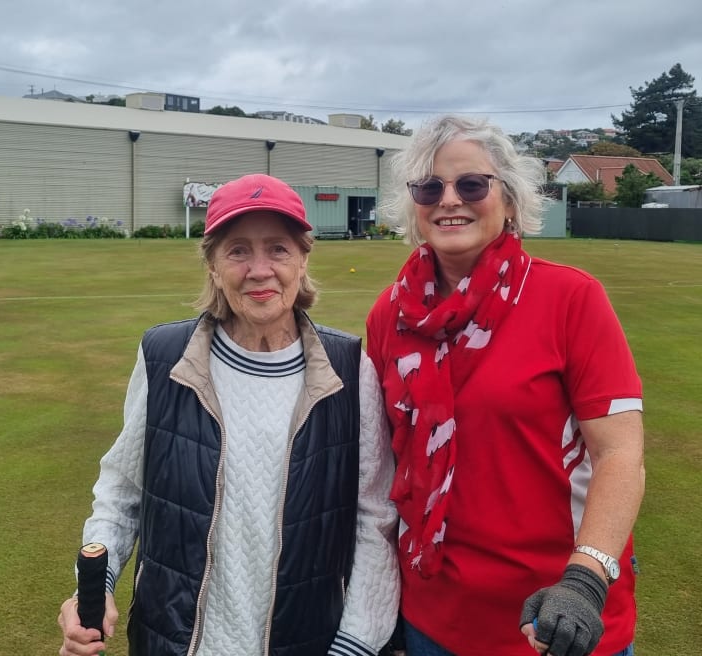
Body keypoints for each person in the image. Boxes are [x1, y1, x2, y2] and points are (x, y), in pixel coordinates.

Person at [58, 173, 400, 656]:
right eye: (237, 250)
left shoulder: (349, 367)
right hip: (177, 643)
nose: (259, 269)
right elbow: (122, 493)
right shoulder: (165, 357)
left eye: (277, 249)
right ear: (213, 265)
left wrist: (354, 645)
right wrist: (95, 586)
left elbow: (375, 519)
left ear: (303, 259)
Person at [366, 115, 645, 656]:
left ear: (510, 200)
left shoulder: (570, 299)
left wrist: (587, 579)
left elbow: (620, 453)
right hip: (432, 619)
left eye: (471, 184)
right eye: (430, 187)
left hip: (555, 620)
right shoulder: (391, 316)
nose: (449, 200)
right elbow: (381, 469)